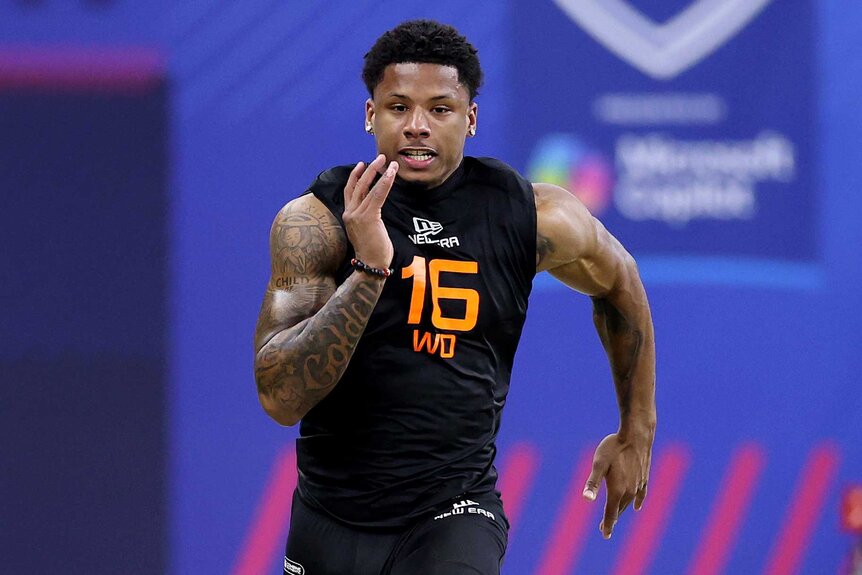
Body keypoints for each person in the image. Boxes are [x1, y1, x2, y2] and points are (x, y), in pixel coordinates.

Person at [254, 19, 656, 575]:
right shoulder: (315, 221)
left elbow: (620, 281)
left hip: (455, 509)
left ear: (470, 120)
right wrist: (371, 269)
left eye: (440, 109)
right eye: (398, 107)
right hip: (332, 514)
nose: (417, 126)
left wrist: (638, 431)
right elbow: (280, 398)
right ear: (371, 115)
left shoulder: (532, 215)